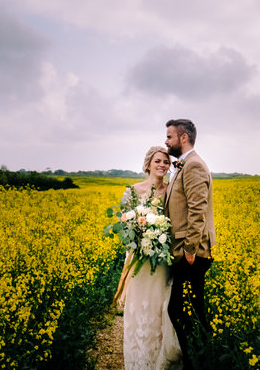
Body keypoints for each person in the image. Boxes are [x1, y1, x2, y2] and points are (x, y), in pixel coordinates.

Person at [118, 145, 183, 370]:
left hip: (162, 260)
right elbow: (123, 223)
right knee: (138, 308)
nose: (162, 165)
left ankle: (158, 361)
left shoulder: (171, 191)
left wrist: (159, 241)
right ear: (148, 164)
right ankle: (138, 361)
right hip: (139, 260)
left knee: (159, 307)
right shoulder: (133, 191)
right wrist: (138, 238)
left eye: (166, 162)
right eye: (157, 161)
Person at [164, 119, 216, 369]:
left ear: (183, 138)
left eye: (169, 137)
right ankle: (199, 359)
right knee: (190, 309)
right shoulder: (185, 164)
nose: (166, 141)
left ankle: (199, 361)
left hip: (192, 253)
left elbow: (198, 210)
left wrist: (189, 251)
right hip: (187, 251)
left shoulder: (193, 165)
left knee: (181, 310)